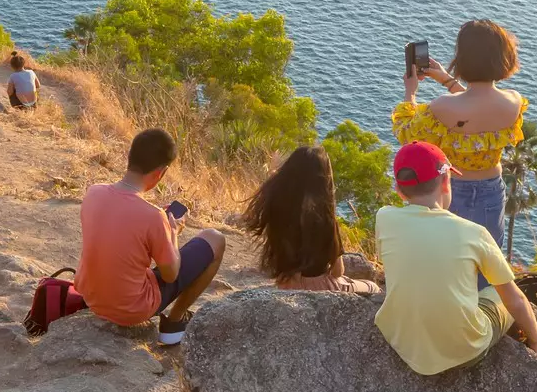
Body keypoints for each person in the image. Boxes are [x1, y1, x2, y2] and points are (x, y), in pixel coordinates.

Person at [374, 141, 537, 375]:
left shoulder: (384, 218)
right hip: (465, 351)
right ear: (446, 181)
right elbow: (514, 300)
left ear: (399, 189)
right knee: (503, 293)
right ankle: (528, 340)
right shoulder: (473, 232)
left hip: (401, 341)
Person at [76, 128, 227, 345]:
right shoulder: (153, 216)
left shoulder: (93, 192)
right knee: (215, 238)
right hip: (132, 309)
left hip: (91, 297)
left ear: (130, 158)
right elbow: (170, 275)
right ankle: (174, 323)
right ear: (161, 173)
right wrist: (172, 233)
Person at [391, 20, 527, 249]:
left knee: (448, 263)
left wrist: (410, 93)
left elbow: (406, 134)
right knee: (485, 265)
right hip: (492, 193)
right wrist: (446, 81)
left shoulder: (442, 107)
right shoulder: (513, 101)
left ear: (462, 59)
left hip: (449, 193)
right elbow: (479, 106)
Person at [244, 145, 379, 293]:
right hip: (318, 288)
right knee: (372, 287)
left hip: (285, 284)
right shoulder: (325, 217)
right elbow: (337, 272)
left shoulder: (276, 207)